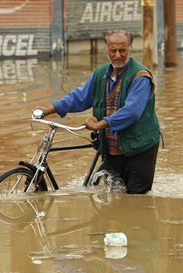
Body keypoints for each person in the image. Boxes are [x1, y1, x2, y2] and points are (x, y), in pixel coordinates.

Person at [36, 29, 160, 194]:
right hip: (112, 148)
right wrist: (48, 110)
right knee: (101, 192)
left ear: (130, 49)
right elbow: (79, 97)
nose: (117, 55)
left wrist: (99, 124)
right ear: (106, 50)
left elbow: (132, 111)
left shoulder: (140, 76)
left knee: (136, 199)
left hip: (139, 149)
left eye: (122, 50)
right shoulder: (100, 74)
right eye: (113, 50)